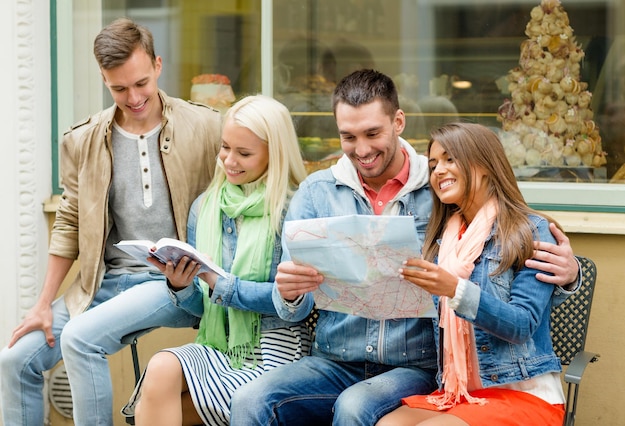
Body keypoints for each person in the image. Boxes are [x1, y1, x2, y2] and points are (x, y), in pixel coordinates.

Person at [229, 69, 580, 425]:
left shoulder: (440, 196)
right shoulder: (317, 193)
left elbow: (503, 243)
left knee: (355, 406)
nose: (361, 150)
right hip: (334, 359)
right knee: (250, 400)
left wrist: (570, 275)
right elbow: (293, 309)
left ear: (398, 121)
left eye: (372, 133)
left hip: (414, 365)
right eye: (348, 137)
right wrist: (288, 295)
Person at [0, 18, 221, 426]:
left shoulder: (206, 126)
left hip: (174, 284)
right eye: (118, 88)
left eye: (140, 83)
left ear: (157, 65)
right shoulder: (82, 140)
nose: (133, 97)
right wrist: (43, 304)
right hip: (101, 285)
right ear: (104, 79)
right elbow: (69, 221)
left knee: (80, 340)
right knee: (15, 360)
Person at [122, 95, 311, 426]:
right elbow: (201, 307)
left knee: (156, 409)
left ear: (274, 153)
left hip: (276, 351)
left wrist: (222, 285)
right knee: (161, 367)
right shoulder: (206, 207)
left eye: (244, 153)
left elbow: (294, 305)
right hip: (219, 344)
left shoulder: (293, 211)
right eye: (225, 148)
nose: (229, 160)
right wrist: (179, 285)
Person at [376, 122, 568, 426]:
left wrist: (455, 290)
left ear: (485, 165)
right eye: (433, 164)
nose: (439, 170)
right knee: (387, 424)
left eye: (450, 159)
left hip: (524, 391)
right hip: (460, 392)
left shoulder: (530, 231)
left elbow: (521, 324)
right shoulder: (442, 240)